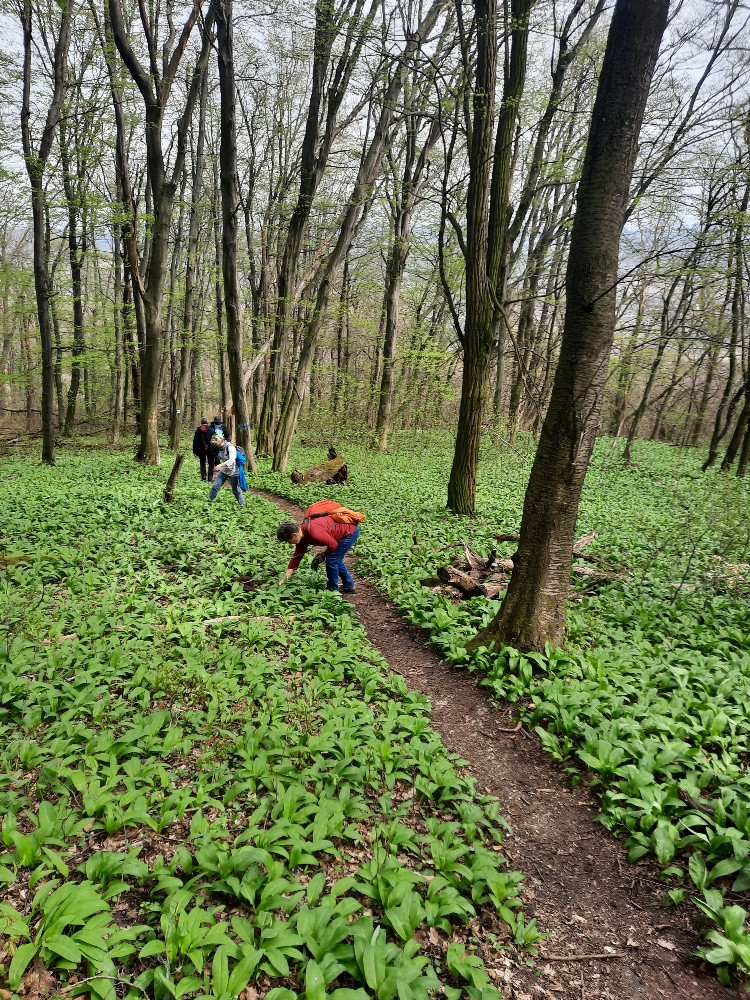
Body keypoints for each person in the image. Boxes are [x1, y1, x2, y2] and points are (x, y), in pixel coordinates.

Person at [277, 515, 359, 594]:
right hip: (340, 532)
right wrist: (284, 579)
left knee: (332, 560)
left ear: (294, 535)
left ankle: (332, 591)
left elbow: (333, 545)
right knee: (336, 559)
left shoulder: (314, 532)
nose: (289, 543)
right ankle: (349, 586)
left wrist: (323, 555)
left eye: (288, 541)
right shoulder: (301, 536)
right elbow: (296, 558)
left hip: (349, 533)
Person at [209, 434, 245, 507]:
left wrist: (220, 465)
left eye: (216, 443)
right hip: (224, 471)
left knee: (236, 490)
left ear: (221, 441)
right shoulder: (218, 448)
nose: (215, 445)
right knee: (215, 486)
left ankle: (242, 504)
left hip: (233, 472)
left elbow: (231, 460)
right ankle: (210, 501)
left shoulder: (230, 447)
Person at [192, 417, 212, 481]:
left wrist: (195, 450)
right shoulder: (211, 430)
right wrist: (215, 451)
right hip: (210, 449)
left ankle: (203, 476)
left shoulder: (198, 430)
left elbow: (195, 441)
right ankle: (210, 478)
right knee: (211, 463)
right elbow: (214, 440)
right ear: (207, 422)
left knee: (202, 462)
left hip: (201, 449)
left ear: (201, 422)